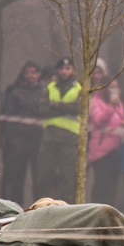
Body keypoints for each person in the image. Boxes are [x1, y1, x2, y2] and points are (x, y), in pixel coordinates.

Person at [37, 57, 81, 201]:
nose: (64, 71)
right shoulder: (50, 87)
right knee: (44, 174)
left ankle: (65, 207)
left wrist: (56, 105)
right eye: (62, 68)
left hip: (70, 139)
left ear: (73, 70)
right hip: (50, 138)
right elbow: (43, 109)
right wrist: (66, 107)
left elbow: (78, 108)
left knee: (67, 177)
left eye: (68, 68)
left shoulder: (80, 88)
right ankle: (42, 204)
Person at [0, 62, 44, 204]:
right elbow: (9, 119)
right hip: (18, 142)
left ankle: (40, 207)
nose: (30, 75)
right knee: (16, 178)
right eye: (27, 72)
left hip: (38, 141)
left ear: (38, 75)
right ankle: (17, 208)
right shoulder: (15, 93)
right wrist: (7, 141)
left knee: (39, 178)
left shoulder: (44, 93)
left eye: (33, 72)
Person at [88, 71, 124, 206]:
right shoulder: (95, 102)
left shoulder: (119, 103)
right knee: (101, 183)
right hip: (101, 151)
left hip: (115, 149)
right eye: (110, 87)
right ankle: (96, 208)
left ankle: (109, 209)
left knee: (112, 184)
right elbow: (98, 121)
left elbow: (120, 118)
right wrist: (110, 106)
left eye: (115, 87)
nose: (113, 90)